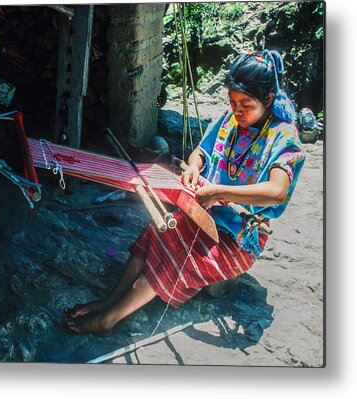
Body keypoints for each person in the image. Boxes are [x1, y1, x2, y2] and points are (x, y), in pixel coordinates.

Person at [65, 49, 306, 336]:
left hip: (239, 237)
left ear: (267, 99)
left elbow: (277, 191)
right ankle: (109, 300)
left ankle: (109, 320)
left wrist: (218, 192)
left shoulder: (284, 137)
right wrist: (194, 167)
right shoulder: (231, 118)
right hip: (205, 215)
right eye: (232, 101)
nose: (237, 110)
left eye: (246, 104)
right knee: (155, 231)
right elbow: (201, 152)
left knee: (179, 257)